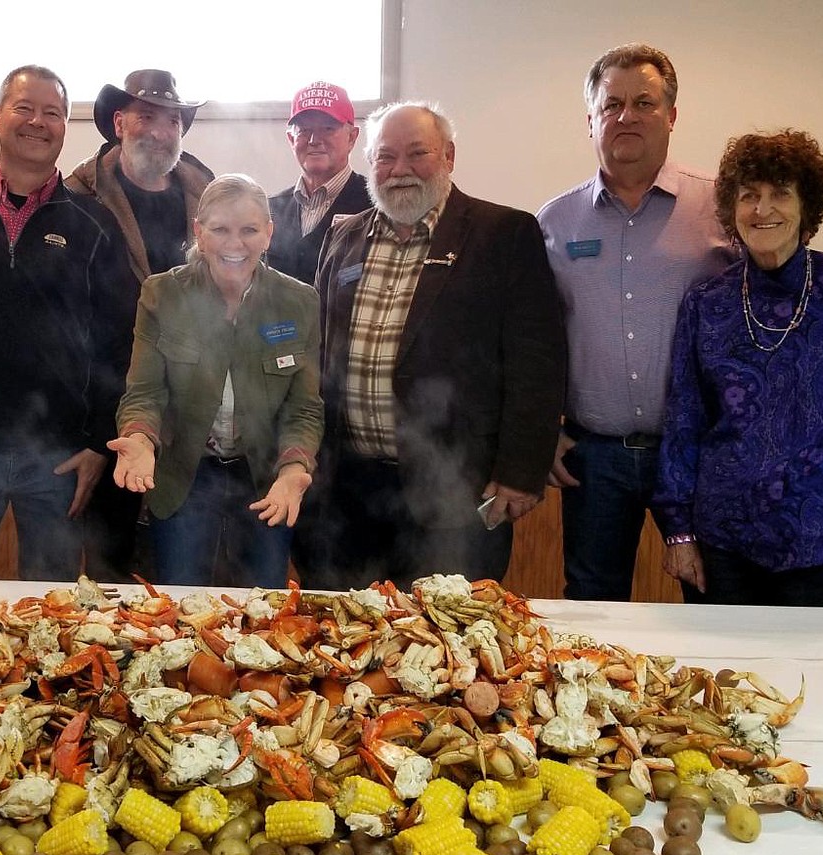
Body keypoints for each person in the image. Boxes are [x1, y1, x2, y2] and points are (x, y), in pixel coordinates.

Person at [298, 102, 565, 590]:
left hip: (455, 493)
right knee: (347, 643)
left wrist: (521, 472)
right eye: (385, 157)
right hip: (348, 493)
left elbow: (538, 364)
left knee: (445, 645)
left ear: (449, 156)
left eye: (417, 153)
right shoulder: (344, 238)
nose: (400, 170)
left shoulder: (503, 235)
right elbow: (320, 357)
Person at [0, 65, 137, 582]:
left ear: (65, 127)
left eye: (53, 112)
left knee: (50, 613)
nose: (38, 121)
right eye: (24, 108)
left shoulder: (94, 224)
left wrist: (97, 444)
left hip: (59, 457)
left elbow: (120, 343)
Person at [537, 42, 735, 601]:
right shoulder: (555, 221)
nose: (626, 117)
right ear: (591, 119)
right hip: (593, 456)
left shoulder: (723, 207)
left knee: (712, 599)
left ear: (672, 116)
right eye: (611, 104)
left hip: (701, 451)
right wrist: (540, 434)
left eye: (644, 103)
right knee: (594, 605)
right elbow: (534, 340)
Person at [654, 130, 823, 606]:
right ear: (732, 210)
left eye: (780, 194)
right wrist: (678, 533)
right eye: (749, 196)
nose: (763, 210)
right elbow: (685, 421)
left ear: (807, 206)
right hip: (726, 546)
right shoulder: (707, 303)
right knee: (725, 676)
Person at [107, 174, 323, 588]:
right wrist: (137, 438)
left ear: (268, 234)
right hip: (186, 475)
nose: (234, 244)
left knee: (264, 610)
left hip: (265, 477)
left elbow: (304, 408)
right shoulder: (162, 295)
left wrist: (295, 468)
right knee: (179, 605)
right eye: (220, 229)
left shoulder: (298, 301)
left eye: (249, 230)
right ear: (199, 233)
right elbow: (145, 393)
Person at [64, 68, 213, 582]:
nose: (159, 130)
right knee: (109, 566)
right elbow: (69, 326)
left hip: (192, 417)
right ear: (119, 122)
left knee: (181, 573)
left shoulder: (209, 199)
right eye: (145, 116)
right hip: (107, 416)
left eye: (171, 119)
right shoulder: (76, 202)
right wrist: (91, 432)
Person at [268, 81, 372, 285]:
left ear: (352, 137)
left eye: (328, 128)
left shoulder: (375, 206)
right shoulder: (270, 209)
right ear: (291, 139)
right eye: (304, 130)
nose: (314, 139)